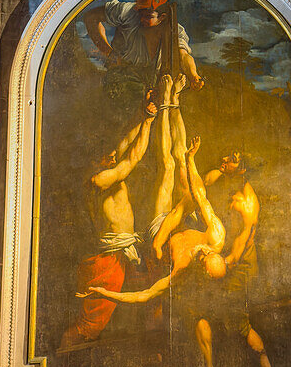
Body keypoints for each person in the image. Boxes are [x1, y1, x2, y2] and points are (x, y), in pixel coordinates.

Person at [79, 93, 226, 308]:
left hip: (159, 227)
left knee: (168, 166)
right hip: (174, 220)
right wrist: (190, 158)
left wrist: (104, 293)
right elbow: (198, 197)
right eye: (208, 252)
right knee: (183, 175)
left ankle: (167, 106)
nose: (203, 250)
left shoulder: (181, 273)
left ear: (201, 272)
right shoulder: (216, 236)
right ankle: (170, 104)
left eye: (204, 257)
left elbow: (144, 295)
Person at [57, 92, 157, 367]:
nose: (111, 154)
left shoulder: (105, 166)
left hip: (124, 254)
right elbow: (132, 158)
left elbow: (124, 144)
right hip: (108, 261)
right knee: (89, 327)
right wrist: (149, 121)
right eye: (104, 154)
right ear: (92, 160)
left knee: (152, 302)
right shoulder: (99, 180)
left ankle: (153, 358)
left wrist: (141, 111)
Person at [180, 151, 286, 367]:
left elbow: (235, 256)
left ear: (242, 170)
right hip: (224, 265)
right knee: (199, 315)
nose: (225, 159)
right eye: (226, 156)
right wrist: (191, 159)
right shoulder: (227, 182)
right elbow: (200, 187)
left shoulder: (247, 204)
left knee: (240, 328)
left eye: (233, 159)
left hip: (238, 273)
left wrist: (210, 257)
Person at [83, 0, 204, 89]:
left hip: (154, 84)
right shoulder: (126, 12)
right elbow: (90, 17)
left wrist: (193, 76)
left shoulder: (174, 30)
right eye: (140, 14)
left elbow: (183, 55)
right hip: (121, 76)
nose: (142, 19)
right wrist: (109, 53)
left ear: (162, 17)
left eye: (148, 16)